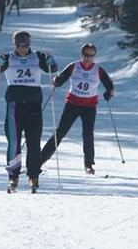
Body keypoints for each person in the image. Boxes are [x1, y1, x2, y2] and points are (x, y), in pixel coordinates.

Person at [0, 31, 58, 192]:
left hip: (33, 103)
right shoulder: (7, 57)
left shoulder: (38, 56)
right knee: (14, 142)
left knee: (33, 141)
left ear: (29, 44)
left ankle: (33, 175)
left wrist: (51, 61)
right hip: (14, 104)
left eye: (25, 46)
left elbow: (52, 69)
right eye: (19, 46)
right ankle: (13, 176)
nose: (22, 49)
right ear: (14, 45)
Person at [40, 43, 114, 175]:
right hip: (73, 104)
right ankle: (40, 160)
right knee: (60, 132)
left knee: (88, 135)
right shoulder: (74, 66)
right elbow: (60, 80)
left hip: (89, 106)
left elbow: (109, 84)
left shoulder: (98, 69)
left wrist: (109, 92)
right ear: (81, 55)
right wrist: (56, 81)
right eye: (86, 55)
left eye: (91, 55)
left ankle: (89, 164)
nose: (88, 58)